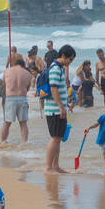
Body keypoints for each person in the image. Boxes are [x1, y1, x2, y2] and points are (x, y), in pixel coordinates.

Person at [43, 44, 75, 173]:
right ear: (63, 56)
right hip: (54, 109)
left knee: (59, 138)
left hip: (58, 108)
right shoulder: (55, 68)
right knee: (55, 137)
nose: (70, 62)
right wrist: (61, 107)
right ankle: (48, 167)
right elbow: (53, 88)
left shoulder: (60, 68)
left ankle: (55, 165)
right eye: (70, 59)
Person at [0, 54, 33, 144]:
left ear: (14, 64)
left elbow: (4, 84)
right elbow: (27, 88)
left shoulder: (7, 71)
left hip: (10, 98)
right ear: (23, 65)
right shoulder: (28, 74)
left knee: (7, 123)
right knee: (23, 123)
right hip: (22, 98)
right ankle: (24, 143)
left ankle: (3, 141)